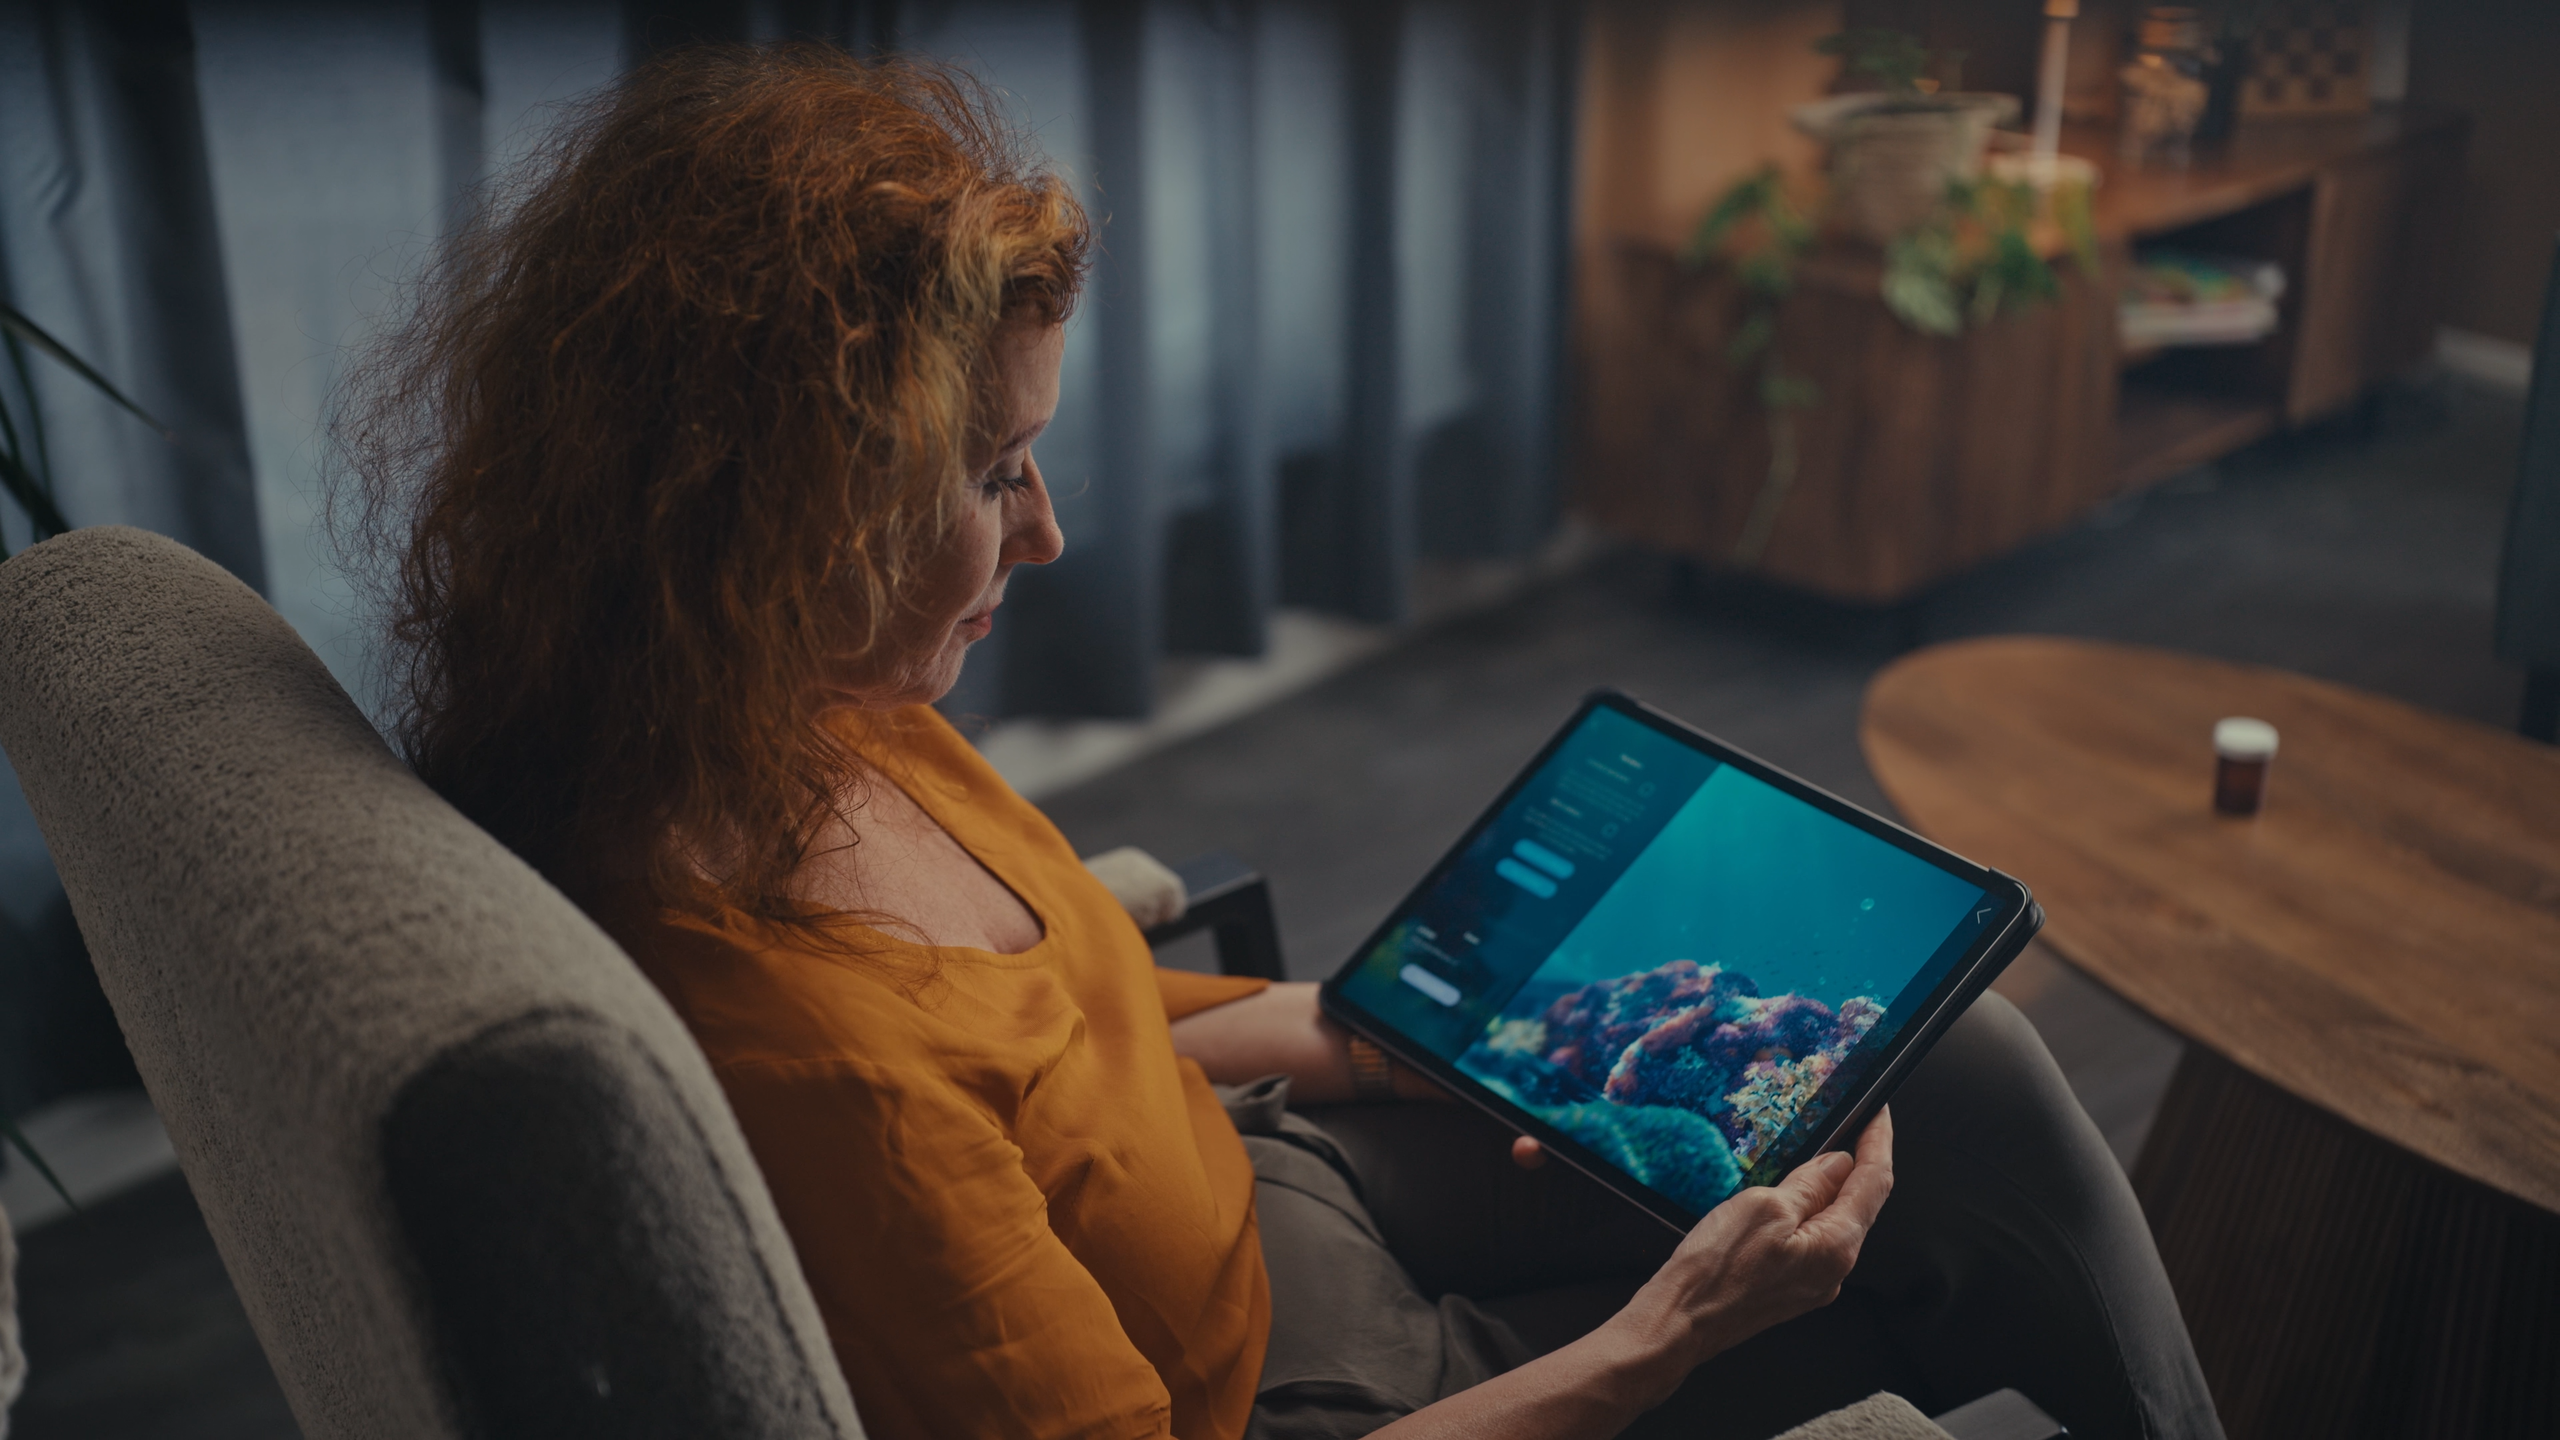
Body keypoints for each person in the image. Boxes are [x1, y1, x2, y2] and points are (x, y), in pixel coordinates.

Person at [342, 45, 2223, 1440]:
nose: (1049, 530)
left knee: (1951, 1061)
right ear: (777, 515)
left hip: (1263, 1168)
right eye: (993, 473)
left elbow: (1057, 1023)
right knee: (1904, 1266)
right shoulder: (820, 1076)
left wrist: (1364, 1038)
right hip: (1312, 1391)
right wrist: (1680, 1334)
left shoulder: (780, 717)